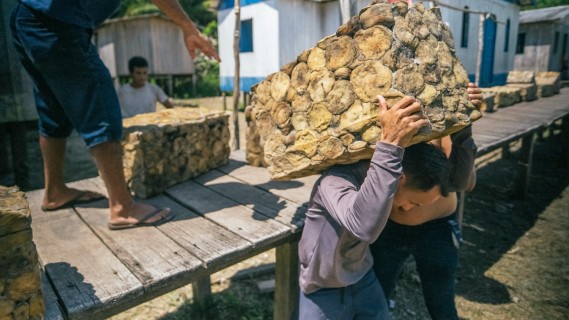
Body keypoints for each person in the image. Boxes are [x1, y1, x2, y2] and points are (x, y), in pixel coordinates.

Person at [11, 0, 220, 230]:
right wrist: (188, 26)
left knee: (53, 108)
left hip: (27, 18)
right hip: (56, 22)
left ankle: (54, 191)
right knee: (101, 105)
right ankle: (123, 207)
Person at [298, 95, 452, 319]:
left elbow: (463, 181)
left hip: (363, 278)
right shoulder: (335, 181)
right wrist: (389, 146)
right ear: (399, 178)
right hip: (321, 287)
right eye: (414, 201)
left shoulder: (387, 183)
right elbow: (363, 226)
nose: (408, 209)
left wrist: (464, 131)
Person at [370, 83, 483, 320]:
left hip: (437, 230)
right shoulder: (385, 130)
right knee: (378, 292)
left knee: (441, 301)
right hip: (389, 228)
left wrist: (465, 119)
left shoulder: (442, 129)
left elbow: (467, 183)